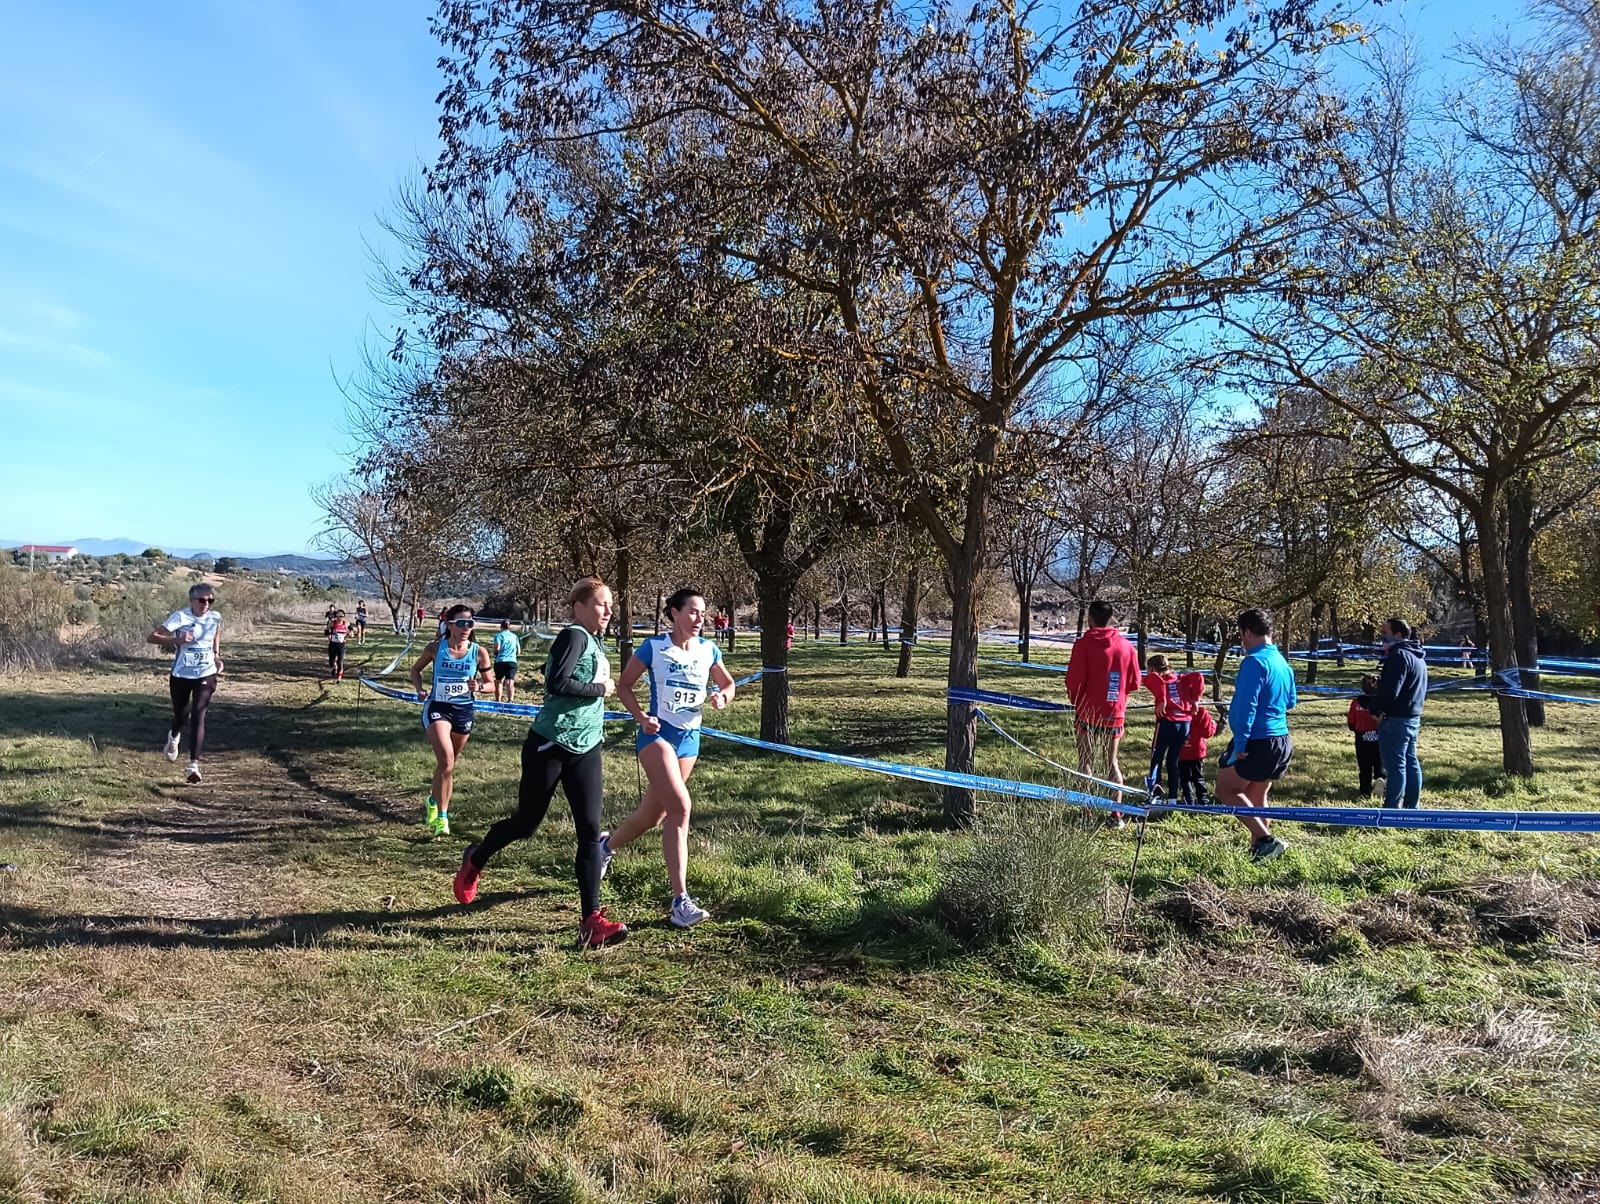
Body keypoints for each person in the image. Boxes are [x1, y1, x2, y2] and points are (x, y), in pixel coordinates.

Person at [453, 579, 627, 949]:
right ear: (579, 606)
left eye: (610, 604)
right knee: (527, 823)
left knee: (590, 831)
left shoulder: (594, 641)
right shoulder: (574, 635)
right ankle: (476, 857)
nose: (608, 611)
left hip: (587, 747)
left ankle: (591, 921)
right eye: (601, 604)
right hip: (551, 744)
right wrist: (602, 689)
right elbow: (557, 682)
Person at [602, 587, 737, 928]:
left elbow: (729, 683)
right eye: (692, 611)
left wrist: (723, 696)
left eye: (702, 613)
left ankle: (604, 848)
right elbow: (625, 686)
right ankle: (680, 901)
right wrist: (641, 718)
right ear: (674, 613)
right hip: (656, 737)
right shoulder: (654, 647)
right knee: (681, 807)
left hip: (689, 741)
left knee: (653, 815)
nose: (699, 619)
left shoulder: (709, 649)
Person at [1215, 608, 1297, 862]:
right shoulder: (1282, 662)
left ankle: (1265, 840)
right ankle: (1261, 851)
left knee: (1225, 788)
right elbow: (1291, 701)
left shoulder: (1254, 662)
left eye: (1241, 636)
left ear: (1247, 633)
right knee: (1256, 796)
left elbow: (1245, 706)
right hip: (1281, 740)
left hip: (1259, 740)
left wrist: (1240, 741)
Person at [409, 603, 492, 837]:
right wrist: (420, 689)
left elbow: (491, 684)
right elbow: (415, 670)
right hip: (438, 708)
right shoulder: (436, 648)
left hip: (464, 712)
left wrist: (481, 686)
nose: (467, 628)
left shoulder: (479, 652)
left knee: (448, 765)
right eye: (462, 623)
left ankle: (433, 801)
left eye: (470, 623)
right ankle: (443, 818)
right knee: (446, 762)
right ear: (450, 624)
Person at [1063, 599, 1142, 827]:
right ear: (1110, 619)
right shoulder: (1128, 647)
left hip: (1087, 713)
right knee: (1112, 763)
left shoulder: (1083, 645)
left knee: (1085, 762)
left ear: (1090, 618)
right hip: (1114, 712)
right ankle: (1115, 815)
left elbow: (1074, 681)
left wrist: (1076, 700)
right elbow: (1135, 682)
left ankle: (1086, 812)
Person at [148, 583, 223, 784]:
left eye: (210, 600)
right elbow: (152, 638)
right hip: (181, 674)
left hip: (206, 673)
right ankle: (174, 736)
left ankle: (193, 766)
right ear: (192, 600)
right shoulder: (181, 617)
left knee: (199, 714)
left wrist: (216, 656)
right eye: (202, 600)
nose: (206, 604)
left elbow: (215, 633)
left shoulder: (215, 617)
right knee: (181, 715)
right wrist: (178, 639)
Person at [1372, 617, 1427, 809]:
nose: (1382, 637)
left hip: (1395, 720)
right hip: (1412, 718)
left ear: (1398, 635)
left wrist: (1376, 709)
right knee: (1410, 762)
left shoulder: (1398, 655)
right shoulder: (1417, 656)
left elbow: (1392, 691)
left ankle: (1392, 812)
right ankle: (1412, 808)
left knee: (1396, 767)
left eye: (1385, 633)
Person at [1142, 654, 1197, 802]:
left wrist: (1161, 699)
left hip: (1167, 722)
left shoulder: (1158, 679)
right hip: (1184, 723)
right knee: (1173, 760)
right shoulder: (1180, 678)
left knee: (1156, 759)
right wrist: (1195, 700)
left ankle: (1156, 796)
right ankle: (1173, 797)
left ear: (1152, 669)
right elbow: (1198, 677)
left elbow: (1152, 679)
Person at [1346, 673, 1385, 798]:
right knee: (1380, 763)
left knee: (1364, 767)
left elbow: (1351, 721)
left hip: (1362, 739)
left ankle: (1365, 791)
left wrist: (1355, 728)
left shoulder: (1356, 703)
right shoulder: (1382, 702)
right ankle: (1381, 778)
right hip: (1380, 738)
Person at [1177, 692, 1218, 806]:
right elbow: (1207, 733)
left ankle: (1188, 799)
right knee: (1198, 776)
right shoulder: (1202, 713)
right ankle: (1203, 800)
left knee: (1184, 777)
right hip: (1197, 752)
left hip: (1181, 751)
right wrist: (1213, 725)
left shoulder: (1177, 711)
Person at [492, 619, 522, 703]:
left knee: (499, 681)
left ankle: (498, 700)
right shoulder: (514, 636)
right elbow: (518, 651)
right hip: (512, 661)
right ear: (509, 627)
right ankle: (510, 700)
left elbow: (497, 648)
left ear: (501, 626)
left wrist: (495, 652)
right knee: (510, 682)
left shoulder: (498, 635)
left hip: (500, 661)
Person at [325, 608, 349, 681]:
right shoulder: (332, 623)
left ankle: (339, 678)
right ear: (336, 617)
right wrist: (332, 633)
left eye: (341, 616)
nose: (340, 618)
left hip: (341, 645)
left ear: (344, 617)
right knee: (331, 661)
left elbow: (351, 632)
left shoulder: (346, 623)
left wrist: (350, 633)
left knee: (340, 662)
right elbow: (326, 632)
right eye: (338, 616)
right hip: (333, 644)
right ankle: (334, 667)